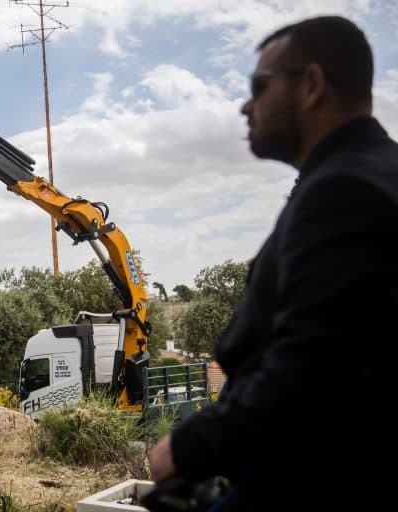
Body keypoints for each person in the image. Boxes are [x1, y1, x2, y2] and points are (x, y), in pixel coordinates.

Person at [148, 15, 397, 510]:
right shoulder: (373, 174)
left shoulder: (343, 190)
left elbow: (312, 373)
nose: (246, 105)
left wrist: (185, 447)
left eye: (259, 86)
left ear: (312, 84)